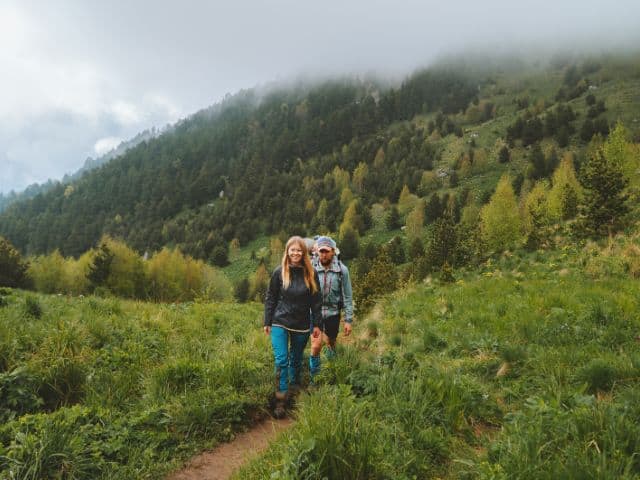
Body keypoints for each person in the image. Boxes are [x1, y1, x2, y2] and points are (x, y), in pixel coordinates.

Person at [264, 236, 322, 418]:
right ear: (287, 251)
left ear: (304, 253)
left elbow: (316, 301)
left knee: (296, 360)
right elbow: (271, 297)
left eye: (299, 250)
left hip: (302, 324)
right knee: (281, 359)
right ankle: (280, 399)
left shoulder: (311, 273)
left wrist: (317, 325)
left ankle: (294, 389)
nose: (296, 253)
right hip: (280, 321)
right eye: (292, 250)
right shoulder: (279, 272)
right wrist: (267, 321)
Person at [309, 235, 354, 379]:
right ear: (318, 252)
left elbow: (347, 295)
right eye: (321, 251)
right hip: (314, 313)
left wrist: (348, 320)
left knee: (331, 343)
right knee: (316, 345)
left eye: (327, 251)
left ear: (333, 252)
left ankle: (331, 370)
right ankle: (315, 377)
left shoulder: (342, 270)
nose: (324, 254)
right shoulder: (310, 267)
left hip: (333, 313)